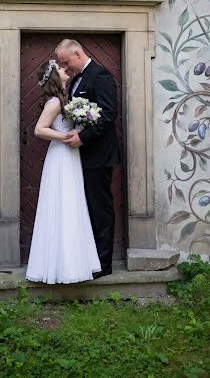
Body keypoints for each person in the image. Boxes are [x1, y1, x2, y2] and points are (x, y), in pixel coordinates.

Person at [25, 59, 101, 284]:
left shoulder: (64, 99)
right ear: (55, 77)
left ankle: (73, 264)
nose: (64, 69)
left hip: (69, 157)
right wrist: (65, 137)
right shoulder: (55, 102)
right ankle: (61, 267)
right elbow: (40, 130)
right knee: (62, 205)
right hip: (61, 156)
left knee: (71, 206)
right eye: (60, 68)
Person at [55, 39, 121, 278]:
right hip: (78, 155)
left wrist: (83, 137)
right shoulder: (74, 80)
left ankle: (103, 264)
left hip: (98, 153)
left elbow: (108, 114)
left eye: (65, 61)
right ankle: (87, 259)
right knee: (83, 208)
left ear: (77, 53)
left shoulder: (100, 75)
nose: (64, 66)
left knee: (99, 208)